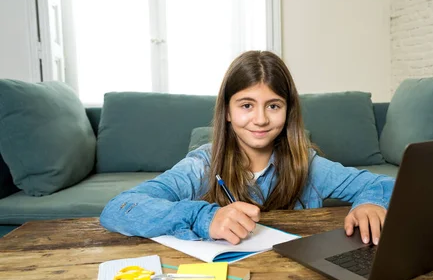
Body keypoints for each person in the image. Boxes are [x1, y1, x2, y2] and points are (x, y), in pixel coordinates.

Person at [100, 50, 395, 246]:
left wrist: (369, 203)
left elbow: (384, 184)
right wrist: (204, 217)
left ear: (288, 111)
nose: (261, 119)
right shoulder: (201, 166)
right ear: (227, 112)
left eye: (274, 106)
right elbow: (119, 208)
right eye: (246, 105)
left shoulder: (307, 164)